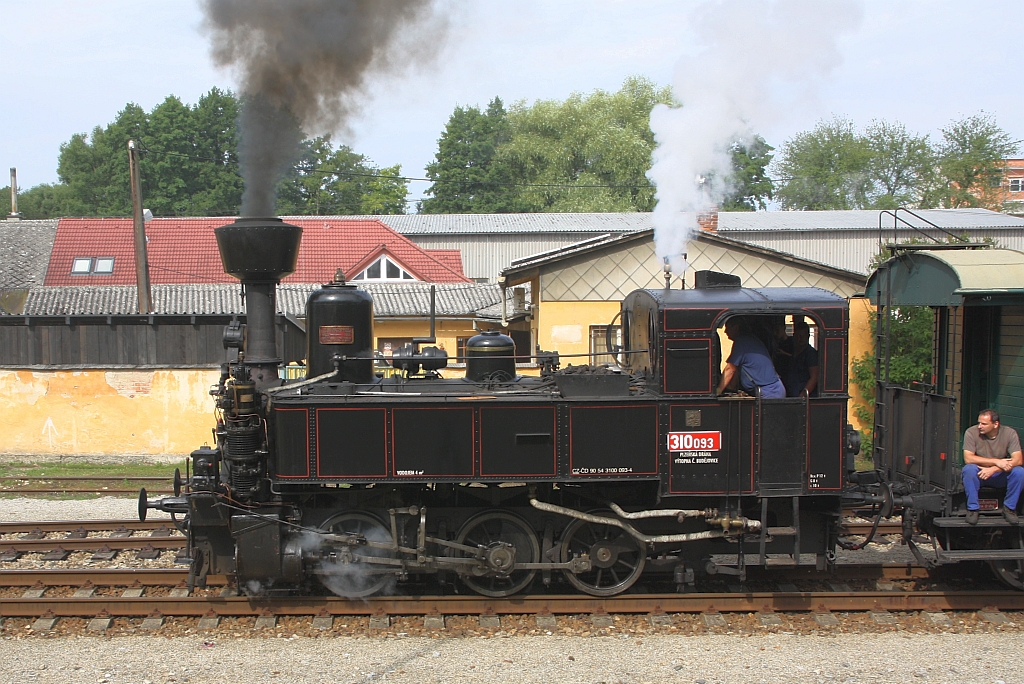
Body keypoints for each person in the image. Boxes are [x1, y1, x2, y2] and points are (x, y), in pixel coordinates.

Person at [962, 409, 1024, 525]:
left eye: (984, 424)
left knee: (1019, 472)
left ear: (995, 424)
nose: (980, 426)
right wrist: (997, 461)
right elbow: (968, 458)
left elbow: (1018, 460)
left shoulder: (1009, 433)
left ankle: (1009, 508)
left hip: (999, 474)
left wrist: (994, 469)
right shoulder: (971, 432)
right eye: (979, 423)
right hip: (980, 473)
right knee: (969, 469)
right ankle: (973, 509)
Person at [716, 318, 786, 399]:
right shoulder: (746, 340)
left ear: (736, 327)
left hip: (770, 391)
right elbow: (735, 370)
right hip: (769, 390)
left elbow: (730, 369)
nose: (725, 331)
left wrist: (719, 390)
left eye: (728, 327)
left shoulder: (742, 341)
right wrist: (730, 389)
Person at [782, 320, 819, 398]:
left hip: (803, 397)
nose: (801, 338)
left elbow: (814, 377)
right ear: (794, 336)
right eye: (799, 335)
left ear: (808, 336)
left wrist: (802, 396)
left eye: (804, 335)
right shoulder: (794, 352)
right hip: (792, 393)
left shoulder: (810, 354)